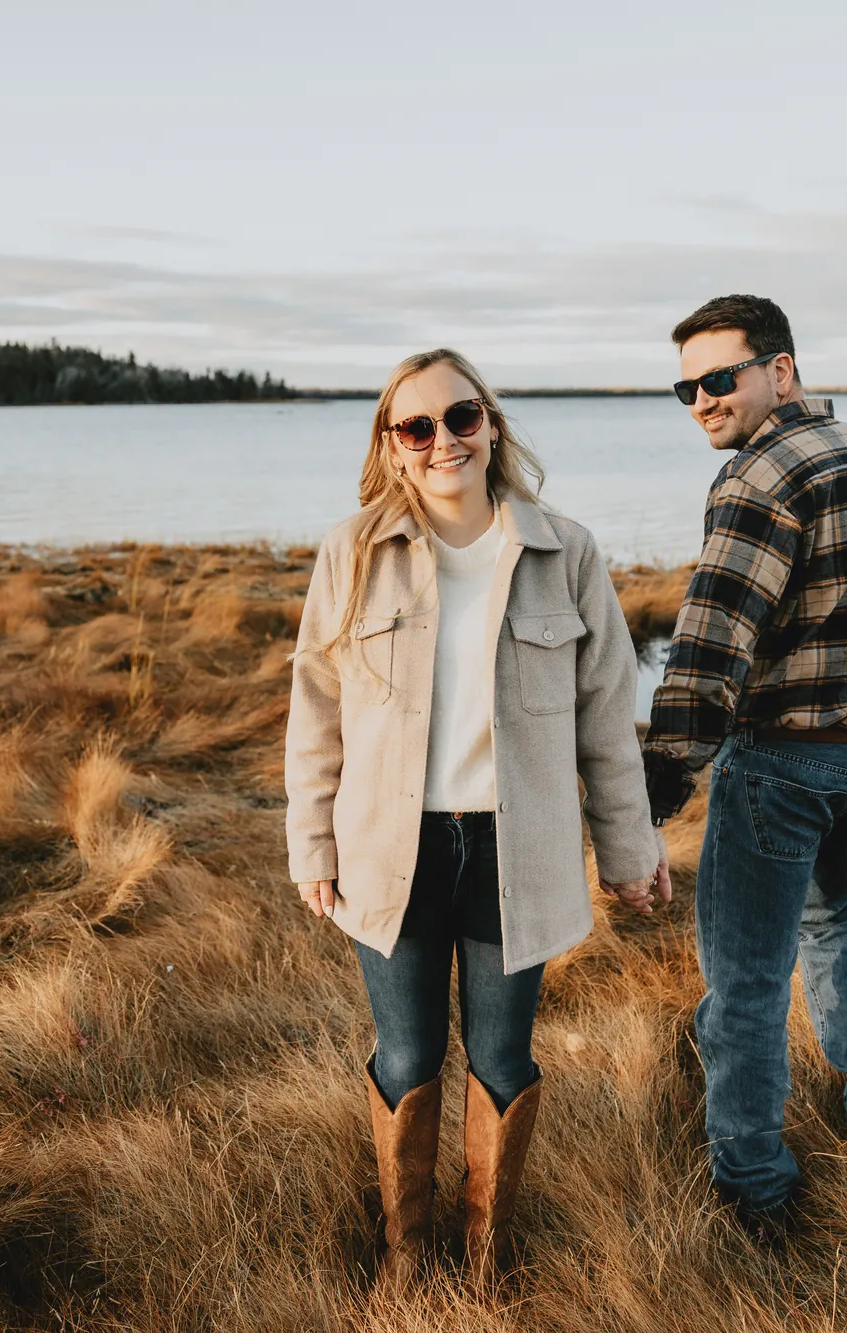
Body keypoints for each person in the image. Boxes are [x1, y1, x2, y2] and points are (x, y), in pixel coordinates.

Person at [285, 348, 666, 1294]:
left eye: (460, 418)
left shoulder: (564, 551)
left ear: (490, 424)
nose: (443, 440)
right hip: (391, 850)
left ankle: (488, 1252)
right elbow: (316, 714)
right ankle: (408, 1256)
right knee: (407, 1053)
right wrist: (313, 843)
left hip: (514, 848)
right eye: (417, 426)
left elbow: (606, 720)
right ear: (392, 445)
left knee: (501, 1056)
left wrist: (629, 848)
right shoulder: (352, 550)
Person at [639, 295, 847, 1236]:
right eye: (685, 386)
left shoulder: (756, 481)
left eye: (721, 377)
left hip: (778, 763)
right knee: (829, 914)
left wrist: (655, 784)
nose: (702, 400)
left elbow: (706, 655)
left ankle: (754, 1180)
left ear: (782, 369)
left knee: (748, 978)